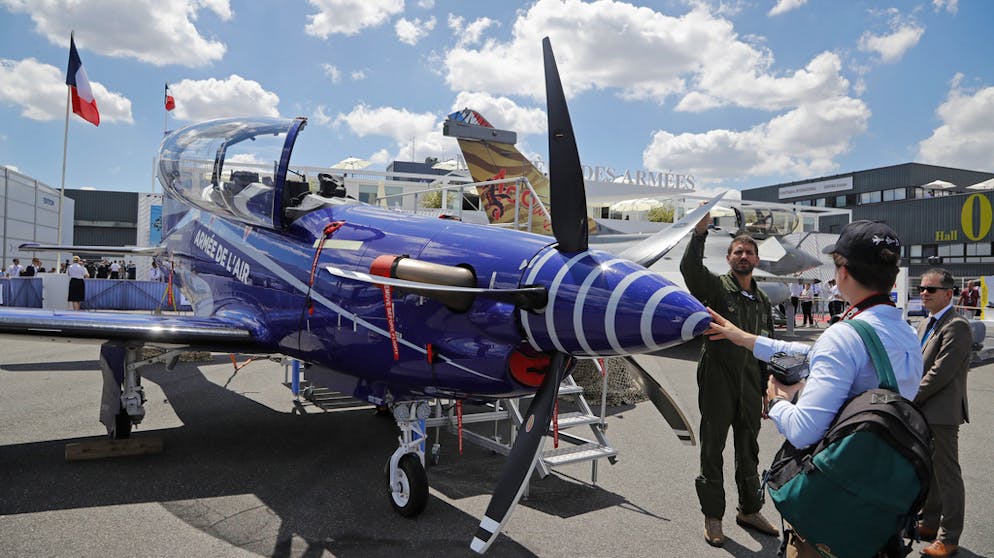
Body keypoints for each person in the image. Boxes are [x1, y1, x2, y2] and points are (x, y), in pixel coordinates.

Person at [705, 220, 923, 557]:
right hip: (879, 498)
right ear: (891, 277)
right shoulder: (907, 334)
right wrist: (745, 338)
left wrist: (778, 400)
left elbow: (804, 430)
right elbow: (815, 353)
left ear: (844, 273)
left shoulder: (845, 335)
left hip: (834, 501)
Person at [680, 209, 778, 547]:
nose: (744, 256)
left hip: (751, 384)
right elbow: (690, 272)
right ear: (729, 257)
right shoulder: (717, 288)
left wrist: (769, 387)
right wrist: (699, 234)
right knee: (713, 448)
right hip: (718, 380)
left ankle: (750, 509)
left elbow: (768, 346)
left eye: (749, 252)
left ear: (756, 259)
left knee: (748, 448)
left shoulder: (762, 300)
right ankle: (713, 516)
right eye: (738, 252)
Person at [916, 268, 972, 557]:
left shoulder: (957, 325)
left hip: (941, 412)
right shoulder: (926, 323)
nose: (924, 293)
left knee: (948, 475)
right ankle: (928, 522)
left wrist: (910, 396)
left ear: (948, 293)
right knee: (931, 471)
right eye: (922, 288)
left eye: (931, 289)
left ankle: (949, 537)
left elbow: (940, 373)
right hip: (926, 409)